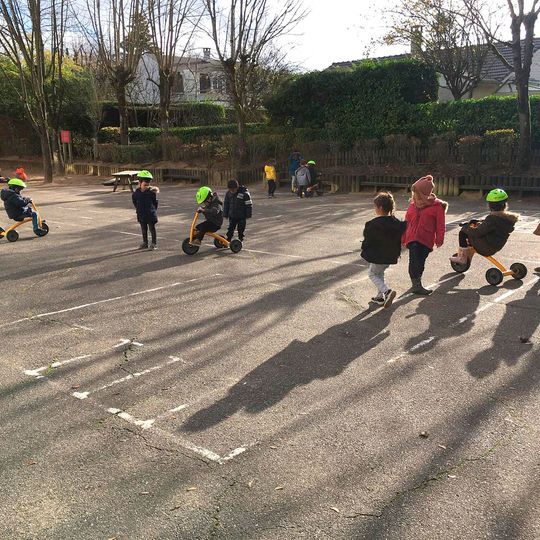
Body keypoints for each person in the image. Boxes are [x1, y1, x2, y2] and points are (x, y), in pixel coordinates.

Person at [402, 175, 447, 295]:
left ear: (423, 193)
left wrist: (440, 238)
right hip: (412, 239)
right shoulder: (412, 205)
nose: (413, 196)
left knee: (421, 262)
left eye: (416, 193)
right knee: (414, 261)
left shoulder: (437, 207)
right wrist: (403, 237)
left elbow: (440, 224)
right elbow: (406, 222)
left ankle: (417, 281)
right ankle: (416, 284)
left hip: (426, 239)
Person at [361, 191, 407, 308]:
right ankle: (379, 297)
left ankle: (386, 292)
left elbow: (368, 241)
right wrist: (398, 252)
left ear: (380, 208)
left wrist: (364, 248)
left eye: (375, 207)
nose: (375, 209)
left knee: (372, 274)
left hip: (378, 256)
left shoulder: (373, 224)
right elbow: (398, 240)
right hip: (390, 256)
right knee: (380, 273)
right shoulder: (395, 223)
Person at [450, 189, 518, 265]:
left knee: (463, 232)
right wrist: (480, 222)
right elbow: (490, 225)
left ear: (490, 206)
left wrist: (466, 227)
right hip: (496, 245)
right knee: (471, 230)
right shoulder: (506, 219)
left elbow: (478, 232)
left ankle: (462, 258)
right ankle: (466, 255)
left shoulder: (492, 219)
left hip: (486, 247)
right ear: (505, 205)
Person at [132, 170, 159, 250]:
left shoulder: (151, 193)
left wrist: (153, 211)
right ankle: (145, 243)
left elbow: (155, 203)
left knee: (152, 228)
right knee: (144, 229)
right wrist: (139, 210)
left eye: (148, 185)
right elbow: (135, 202)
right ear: (139, 184)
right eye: (144, 185)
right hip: (141, 214)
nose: (146, 187)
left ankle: (154, 243)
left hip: (150, 214)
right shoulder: (136, 194)